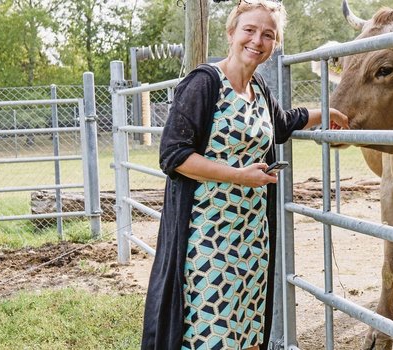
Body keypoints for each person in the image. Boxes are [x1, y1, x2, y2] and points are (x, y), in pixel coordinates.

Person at [140, 1, 348, 349]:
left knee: (249, 328)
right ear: (231, 32)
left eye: (268, 34)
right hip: (206, 234)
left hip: (253, 233)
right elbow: (174, 156)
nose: (258, 40)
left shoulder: (259, 90)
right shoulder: (204, 83)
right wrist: (238, 176)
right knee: (211, 330)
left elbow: (282, 124)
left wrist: (325, 113)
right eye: (249, 30)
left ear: (275, 44)